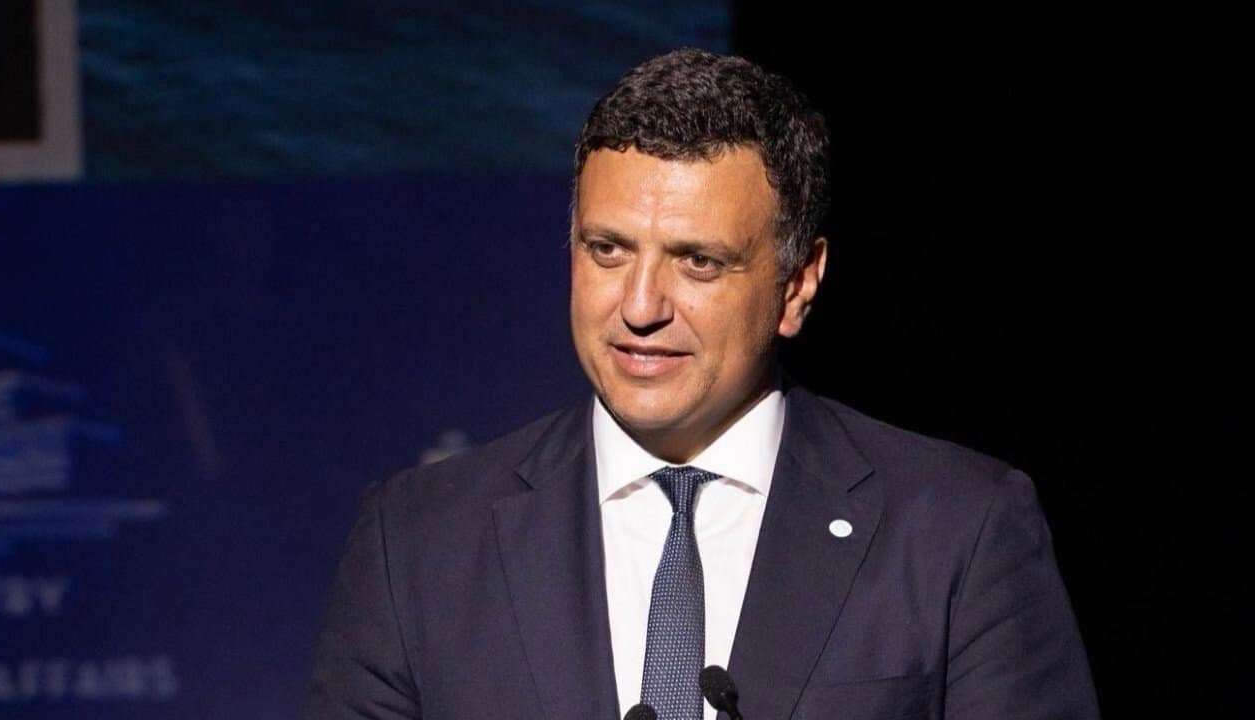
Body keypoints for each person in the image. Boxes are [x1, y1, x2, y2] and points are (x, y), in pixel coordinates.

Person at [307, 48, 1099, 720]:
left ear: (798, 284)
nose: (640, 307)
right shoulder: (417, 545)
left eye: (698, 262)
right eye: (608, 250)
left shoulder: (957, 532)